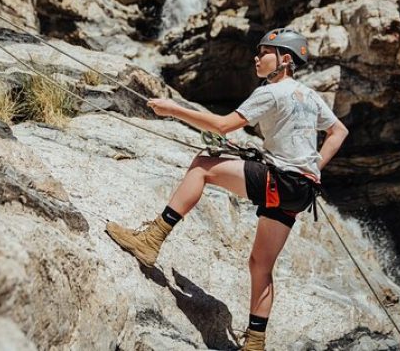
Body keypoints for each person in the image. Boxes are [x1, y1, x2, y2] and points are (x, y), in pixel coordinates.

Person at [106, 28, 349, 350]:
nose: (256, 57)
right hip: (301, 190)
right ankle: (255, 344)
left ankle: (152, 239)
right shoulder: (308, 94)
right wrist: (314, 167)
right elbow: (339, 130)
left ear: (285, 59)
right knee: (261, 265)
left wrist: (173, 109)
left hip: (280, 180)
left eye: (264, 52)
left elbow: (222, 125)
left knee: (203, 166)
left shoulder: (270, 91)